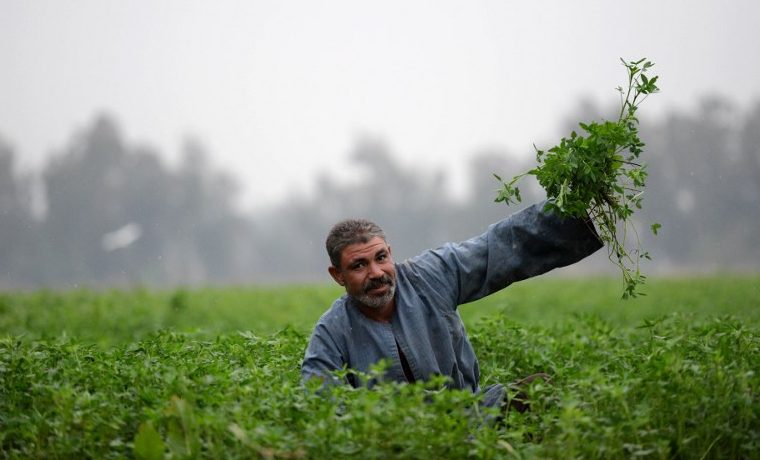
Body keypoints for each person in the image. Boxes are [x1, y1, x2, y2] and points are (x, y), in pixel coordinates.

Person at [301, 201, 602, 411]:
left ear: (390, 253)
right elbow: (320, 404)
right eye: (359, 265)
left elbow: (497, 247)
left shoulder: (430, 275)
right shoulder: (332, 331)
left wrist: (579, 212)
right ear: (337, 275)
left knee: (539, 390)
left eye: (381, 258)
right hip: (394, 439)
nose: (376, 273)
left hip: (471, 414)